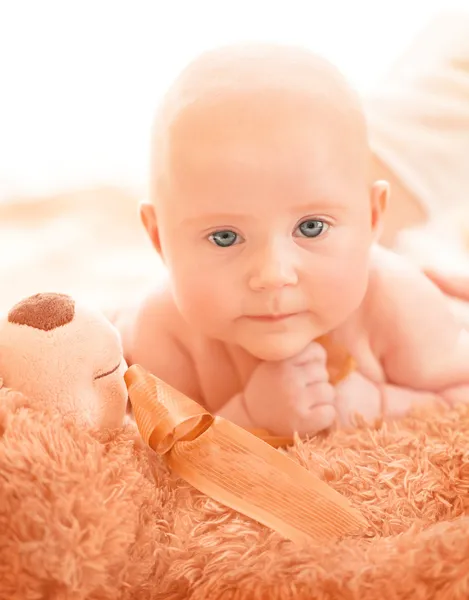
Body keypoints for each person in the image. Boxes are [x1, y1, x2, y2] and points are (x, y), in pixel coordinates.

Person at [115, 43, 469, 438]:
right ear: (159, 238)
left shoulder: (399, 305)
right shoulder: (161, 335)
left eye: (311, 227)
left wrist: (382, 403)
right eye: (225, 237)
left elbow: (462, 398)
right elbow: (157, 457)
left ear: (372, 218)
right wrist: (248, 417)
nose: (273, 274)